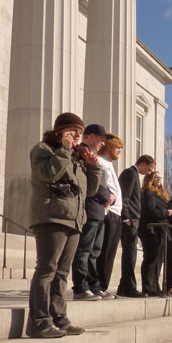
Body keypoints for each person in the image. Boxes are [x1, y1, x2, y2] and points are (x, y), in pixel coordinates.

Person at [27, 112, 101, 338]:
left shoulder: (75, 157)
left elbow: (89, 191)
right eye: (73, 131)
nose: (77, 135)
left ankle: (60, 318)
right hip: (52, 217)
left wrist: (93, 167)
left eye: (79, 132)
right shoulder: (44, 150)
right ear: (60, 131)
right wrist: (64, 150)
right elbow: (48, 174)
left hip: (74, 220)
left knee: (62, 273)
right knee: (47, 269)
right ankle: (40, 321)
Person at [71, 124, 111, 301]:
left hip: (98, 210)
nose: (103, 143)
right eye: (101, 140)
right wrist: (107, 195)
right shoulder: (82, 152)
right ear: (92, 136)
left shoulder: (93, 156)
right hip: (89, 208)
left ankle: (94, 286)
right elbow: (89, 184)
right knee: (84, 250)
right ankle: (81, 287)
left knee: (94, 251)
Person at [117, 154, 156, 297]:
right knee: (130, 254)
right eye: (150, 169)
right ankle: (128, 288)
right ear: (143, 164)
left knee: (131, 254)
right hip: (130, 220)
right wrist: (126, 217)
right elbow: (124, 197)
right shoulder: (130, 173)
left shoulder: (134, 175)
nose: (150, 173)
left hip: (134, 220)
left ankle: (124, 286)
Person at [95, 133, 125, 298]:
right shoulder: (100, 162)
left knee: (110, 251)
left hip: (116, 213)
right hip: (109, 212)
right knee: (104, 251)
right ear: (108, 146)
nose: (120, 150)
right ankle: (99, 285)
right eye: (117, 147)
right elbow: (99, 184)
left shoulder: (108, 164)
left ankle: (103, 285)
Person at [138, 171, 172, 296]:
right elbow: (150, 211)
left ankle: (155, 285)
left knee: (158, 260)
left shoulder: (161, 196)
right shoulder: (148, 194)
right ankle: (148, 286)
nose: (159, 180)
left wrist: (170, 212)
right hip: (151, 231)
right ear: (149, 180)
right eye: (156, 178)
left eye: (160, 178)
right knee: (151, 258)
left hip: (161, 231)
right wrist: (167, 212)